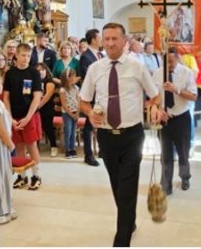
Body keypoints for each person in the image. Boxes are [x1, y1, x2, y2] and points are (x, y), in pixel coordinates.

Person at [79, 22, 164, 247]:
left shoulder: (137, 67)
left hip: (132, 135)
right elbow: (84, 100)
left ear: (124, 41)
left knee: (127, 185)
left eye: (114, 39)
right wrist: (89, 114)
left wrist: (154, 108)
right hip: (106, 136)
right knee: (117, 185)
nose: (110, 43)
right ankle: (130, 221)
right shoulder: (95, 69)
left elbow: (154, 95)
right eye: (106, 39)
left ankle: (121, 239)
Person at [3, 43, 44, 189]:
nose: (26, 58)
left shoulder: (34, 73)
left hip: (30, 115)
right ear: (17, 55)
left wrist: (28, 117)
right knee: (19, 146)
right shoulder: (10, 73)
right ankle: (22, 176)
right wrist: (9, 117)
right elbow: (6, 97)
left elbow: (37, 97)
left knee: (32, 146)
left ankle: (36, 176)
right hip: (14, 116)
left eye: (28, 55)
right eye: (23, 55)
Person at [160, 47, 197, 195]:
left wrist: (177, 90)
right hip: (164, 119)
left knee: (183, 152)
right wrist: (159, 109)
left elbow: (194, 96)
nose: (168, 65)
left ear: (177, 58)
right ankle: (166, 182)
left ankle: (185, 177)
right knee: (165, 154)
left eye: (171, 61)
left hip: (181, 117)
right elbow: (153, 95)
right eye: (165, 62)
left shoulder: (186, 73)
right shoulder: (158, 73)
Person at [78, 28, 102, 166]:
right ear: (93, 39)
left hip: (101, 96)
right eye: (100, 37)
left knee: (101, 125)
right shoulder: (85, 56)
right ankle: (88, 155)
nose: (102, 40)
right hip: (91, 97)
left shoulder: (101, 55)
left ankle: (102, 150)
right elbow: (88, 77)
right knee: (88, 127)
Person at [58, 68, 81, 159]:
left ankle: (72, 148)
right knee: (68, 131)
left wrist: (78, 112)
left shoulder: (76, 88)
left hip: (76, 112)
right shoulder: (62, 90)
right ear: (67, 77)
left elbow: (79, 101)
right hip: (67, 113)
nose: (74, 77)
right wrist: (71, 114)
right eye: (72, 76)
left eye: (75, 76)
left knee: (73, 132)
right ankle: (67, 149)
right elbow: (63, 104)